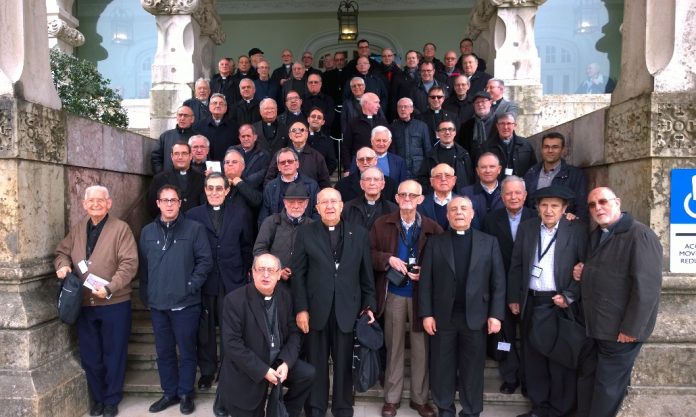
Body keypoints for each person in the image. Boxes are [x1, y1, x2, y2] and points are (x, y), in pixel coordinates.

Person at [574, 187, 662, 417]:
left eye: (603, 201)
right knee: (588, 381)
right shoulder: (598, 234)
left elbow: (647, 288)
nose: (598, 208)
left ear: (617, 202)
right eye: (592, 205)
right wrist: (584, 270)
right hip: (595, 328)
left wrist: (631, 328)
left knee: (607, 389)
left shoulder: (639, 235)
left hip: (620, 333)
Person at [290, 188, 377, 417]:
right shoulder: (305, 233)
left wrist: (369, 306)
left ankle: (343, 407)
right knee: (316, 361)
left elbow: (366, 275)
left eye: (333, 201)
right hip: (316, 309)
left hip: (348, 309)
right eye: (324, 202)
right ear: (317, 208)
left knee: (344, 362)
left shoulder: (359, 233)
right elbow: (298, 275)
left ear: (341, 206)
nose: (329, 206)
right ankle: (316, 407)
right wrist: (301, 309)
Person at [54, 185, 138, 417]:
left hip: (114, 303)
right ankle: (98, 399)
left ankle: (111, 400)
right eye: (91, 201)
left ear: (109, 203)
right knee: (91, 356)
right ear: (84, 204)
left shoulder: (121, 229)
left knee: (114, 354)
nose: (95, 204)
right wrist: (63, 266)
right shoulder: (78, 229)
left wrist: (110, 287)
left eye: (100, 200)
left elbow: (129, 263)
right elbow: (61, 252)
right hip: (85, 304)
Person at [419, 196, 506, 417]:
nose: (459, 212)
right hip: (443, 317)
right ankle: (445, 408)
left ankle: (471, 410)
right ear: (447, 215)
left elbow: (498, 282)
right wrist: (426, 314)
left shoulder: (489, 242)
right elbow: (426, 281)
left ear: (472, 213)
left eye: (464, 208)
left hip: (476, 316)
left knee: (473, 368)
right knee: (442, 366)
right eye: (454, 209)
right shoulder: (435, 243)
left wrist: (496, 315)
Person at [508, 185, 587, 417]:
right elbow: (516, 264)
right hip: (531, 301)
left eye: (554, 206)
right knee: (534, 358)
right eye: (544, 205)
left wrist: (570, 296)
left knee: (559, 358)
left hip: (559, 303)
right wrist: (514, 297)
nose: (549, 210)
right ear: (537, 208)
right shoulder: (528, 228)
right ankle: (539, 407)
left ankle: (559, 410)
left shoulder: (577, 230)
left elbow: (586, 267)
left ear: (564, 209)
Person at [369, 180, 443, 417]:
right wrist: (387, 259)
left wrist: (426, 271)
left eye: (413, 195)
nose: (407, 199)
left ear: (421, 199)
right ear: (397, 198)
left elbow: (443, 261)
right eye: (403, 195)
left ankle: (420, 400)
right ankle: (391, 399)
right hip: (394, 294)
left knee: (421, 349)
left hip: (422, 297)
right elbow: (368, 254)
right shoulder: (382, 224)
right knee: (394, 347)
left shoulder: (432, 227)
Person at [139, 184, 213, 415]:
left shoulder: (195, 229)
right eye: (165, 200)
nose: (169, 204)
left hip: (186, 304)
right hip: (158, 304)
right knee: (164, 352)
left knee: (187, 351)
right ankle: (169, 392)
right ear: (158, 203)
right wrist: (146, 294)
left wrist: (190, 286)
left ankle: (185, 394)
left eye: (174, 200)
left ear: (180, 203)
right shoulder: (147, 232)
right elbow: (144, 267)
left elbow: (205, 261)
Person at [218, 253, 316, 417]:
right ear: (252, 272)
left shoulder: (285, 296)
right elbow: (232, 344)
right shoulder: (234, 300)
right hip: (247, 368)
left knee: (307, 374)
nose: (265, 274)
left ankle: (283, 411)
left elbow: (294, 333)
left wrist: (286, 362)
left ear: (279, 275)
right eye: (261, 269)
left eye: (271, 270)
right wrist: (263, 371)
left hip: (276, 360)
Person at [186, 172, 253, 395]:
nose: (214, 192)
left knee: (230, 328)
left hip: (232, 279)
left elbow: (246, 246)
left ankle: (227, 369)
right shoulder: (192, 215)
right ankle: (207, 370)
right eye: (210, 188)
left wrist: (244, 274)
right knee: (205, 328)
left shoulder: (240, 212)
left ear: (227, 190)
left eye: (219, 188)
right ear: (205, 190)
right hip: (205, 280)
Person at [481, 176, 536, 396]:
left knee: (531, 338)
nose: (513, 197)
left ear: (525, 195)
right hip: (501, 287)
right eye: (508, 193)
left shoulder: (537, 217)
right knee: (505, 337)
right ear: (502, 197)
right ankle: (510, 376)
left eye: (517, 193)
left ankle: (529, 380)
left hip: (530, 287)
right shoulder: (490, 220)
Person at [254, 183, 315, 283]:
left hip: (304, 282)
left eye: (300, 202)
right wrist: (277, 270)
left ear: (306, 203)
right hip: (274, 281)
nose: (296, 206)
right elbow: (259, 250)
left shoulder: (312, 226)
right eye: (291, 202)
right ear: (284, 202)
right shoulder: (271, 222)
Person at [524, 132, 588, 220]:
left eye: (555, 147)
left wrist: (577, 222)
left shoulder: (575, 175)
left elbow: (581, 207)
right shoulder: (531, 173)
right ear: (542, 149)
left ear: (563, 150)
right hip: (534, 224)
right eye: (546, 147)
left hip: (563, 225)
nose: (550, 150)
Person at [258, 148, 319, 226]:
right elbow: (264, 215)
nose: (286, 164)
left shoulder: (311, 185)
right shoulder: (270, 187)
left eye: (290, 161)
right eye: (282, 162)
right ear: (278, 167)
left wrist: (311, 230)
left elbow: (317, 213)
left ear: (297, 164)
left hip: (305, 230)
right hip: (277, 231)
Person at [264, 121, 331, 188]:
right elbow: (269, 179)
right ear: (290, 135)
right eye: (294, 130)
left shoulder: (317, 157)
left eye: (302, 130)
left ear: (307, 134)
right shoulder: (280, 155)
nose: (298, 132)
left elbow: (325, 184)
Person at [147, 141, 205, 219]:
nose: (180, 157)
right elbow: (152, 207)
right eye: (177, 153)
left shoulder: (202, 179)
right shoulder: (159, 179)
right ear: (172, 156)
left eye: (184, 153)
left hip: (196, 223)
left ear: (190, 156)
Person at [418, 119, 474, 193]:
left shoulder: (464, 154)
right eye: (443, 129)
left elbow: (470, 178)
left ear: (455, 133)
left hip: (459, 196)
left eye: (450, 129)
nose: (447, 132)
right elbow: (423, 179)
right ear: (437, 134)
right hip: (437, 196)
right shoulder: (430, 156)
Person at [342, 92, 388, 170]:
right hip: (359, 165)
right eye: (376, 102)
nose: (379, 105)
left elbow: (390, 144)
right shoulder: (353, 123)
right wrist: (347, 168)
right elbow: (346, 147)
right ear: (366, 103)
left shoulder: (382, 122)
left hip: (380, 165)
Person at [484, 112, 537, 181]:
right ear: (497, 126)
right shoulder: (487, 146)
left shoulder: (525, 144)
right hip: (496, 186)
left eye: (509, 123)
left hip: (520, 185)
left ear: (514, 126)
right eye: (502, 124)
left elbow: (533, 168)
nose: (505, 127)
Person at [342, 166, 398, 230]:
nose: (372, 183)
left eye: (376, 179)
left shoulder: (393, 210)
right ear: (361, 184)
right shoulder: (348, 208)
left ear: (382, 184)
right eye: (368, 179)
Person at [390, 97, 432, 179]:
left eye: (405, 106)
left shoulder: (421, 126)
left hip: (419, 171)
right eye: (400, 107)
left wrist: (426, 170)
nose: (402, 109)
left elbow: (427, 149)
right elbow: (392, 151)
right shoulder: (392, 127)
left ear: (412, 109)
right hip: (400, 170)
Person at [460, 152, 504, 230]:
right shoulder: (466, 193)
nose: (488, 170)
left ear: (499, 169)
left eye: (492, 166)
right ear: (477, 171)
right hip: (475, 236)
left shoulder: (507, 192)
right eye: (483, 167)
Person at [193, 93, 239, 164]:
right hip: (204, 166)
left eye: (221, 104)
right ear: (209, 107)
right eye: (215, 103)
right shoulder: (198, 126)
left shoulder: (235, 127)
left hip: (227, 166)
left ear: (226, 108)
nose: (218, 105)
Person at [151, 105, 196, 174]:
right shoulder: (165, 136)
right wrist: (161, 175)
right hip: (168, 178)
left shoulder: (198, 138)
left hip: (192, 178)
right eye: (180, 115)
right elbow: (156, 158)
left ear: (192, 119)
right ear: (177, 118)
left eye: (186, 116)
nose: (182, 118)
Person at [418, 163, 459, 231]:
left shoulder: (465, 204)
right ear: (431, 181)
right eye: (438, 176)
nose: (443, 179)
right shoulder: (420, 204)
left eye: (447, 175)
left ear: (454, 180)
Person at [459, 91, 496, 162]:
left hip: (494, 164)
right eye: (477, 102)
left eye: (483, 101)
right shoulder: (466, 126)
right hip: (473, 164)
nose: (480, 104)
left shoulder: (500, 123)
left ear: (490, 103)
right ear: (473, 105)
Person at [306, 107, 338, 175]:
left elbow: (332, 163)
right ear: (308, 119)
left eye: (319, 117)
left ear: (323, 122)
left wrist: (322, 176)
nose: (316, 119)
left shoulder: (328, 141)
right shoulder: (299, 137)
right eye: (313, 116)